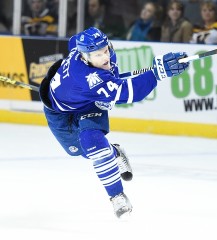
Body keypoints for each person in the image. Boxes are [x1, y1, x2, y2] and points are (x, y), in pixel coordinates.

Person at [38, 27, 189, 218]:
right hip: (58, 112)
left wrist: (154, 74)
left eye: (105, 50)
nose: (105, 57)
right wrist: (157, 72)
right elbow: (129, 91)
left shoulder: (85, 54)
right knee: (80, 152)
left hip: (88, 104)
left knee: (93, 145)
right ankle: (115, 153)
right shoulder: (88, 78)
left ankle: (117, 197)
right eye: (98, 54)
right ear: (84, 56)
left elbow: (128, 91)